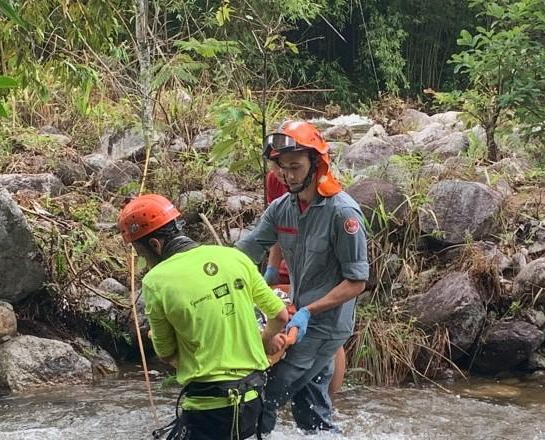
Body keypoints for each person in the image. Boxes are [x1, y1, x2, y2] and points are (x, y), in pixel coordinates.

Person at [118, 194, 289, 440]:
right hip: (252, 402)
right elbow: (280, 315)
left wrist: (157, 337)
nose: (143, 262)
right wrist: (263, 340)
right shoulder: (234, 257)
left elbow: (166, 353)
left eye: (141, 253)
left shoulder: (155, 282)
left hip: (207, 410)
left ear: (155, 244)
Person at [236, 120, 369, 434]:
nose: (288, 176)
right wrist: (210, 267)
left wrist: (309, 311)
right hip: (297, 314)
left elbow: (357, 281)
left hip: (325, 325)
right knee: (312, 415)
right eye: (283, 168)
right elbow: (248, 247)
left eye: (295, 167)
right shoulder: (282, 208)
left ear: (317, 164)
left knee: (265, 396)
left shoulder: (343, 214)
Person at [263, 165, 347, 397]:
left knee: (327, 333)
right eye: (278, 166)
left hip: (318, 265)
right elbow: (276, 226)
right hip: (288, 264)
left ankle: (330, 395)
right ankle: (295, 388)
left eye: (290, 165)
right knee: (283, 324)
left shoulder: (320, 182)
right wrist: (272, 267)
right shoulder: (274, 179)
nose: (284, 173)